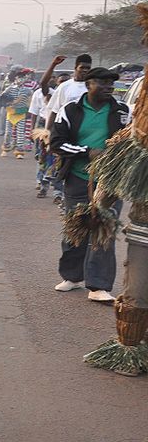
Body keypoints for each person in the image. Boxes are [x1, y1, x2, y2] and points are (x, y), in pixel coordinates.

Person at [50, 67, 131, 303]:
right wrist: (87, 152)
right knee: (76, 226)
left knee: (103, 228)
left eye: (110, 84)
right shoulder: (70, 110)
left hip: (110, 179)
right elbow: (57, 143)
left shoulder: (122, 111)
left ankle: (99, 285)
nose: (108, 88)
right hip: (77, 177)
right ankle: (72, 276)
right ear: (88, 85)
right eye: (102, 83)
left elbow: (129, 141)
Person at [43, 53, 92, 127]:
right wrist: (47, 132)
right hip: (65, 130)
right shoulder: (64, 86)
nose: (85, 70)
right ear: (75, 68)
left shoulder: (93, 87)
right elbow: (54, 111)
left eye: (88, 68)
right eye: (82, 67)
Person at [0, 68, 36, 159]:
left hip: (21, 114)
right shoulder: (10, 88)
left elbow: (31, 100)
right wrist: (9, 102)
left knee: (20, 134)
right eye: (19, 78)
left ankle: (19, 151)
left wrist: (29, 109)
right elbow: (1, 97)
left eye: (23, 78)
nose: (20, 80)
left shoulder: (27, 90)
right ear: (16, 79)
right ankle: (5, 149)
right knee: (8, 133)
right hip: (11, 113)